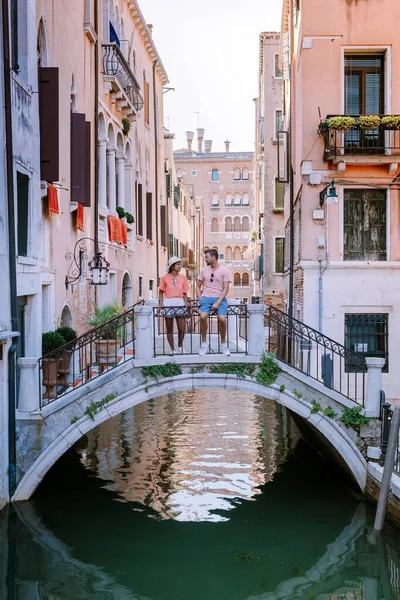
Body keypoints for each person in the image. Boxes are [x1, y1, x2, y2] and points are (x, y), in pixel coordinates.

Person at [196, 248, 232, 356]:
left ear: (213, 257)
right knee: (203, 317)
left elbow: (226, 289)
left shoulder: (224, 271)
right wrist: (200, 298)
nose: (205, 259)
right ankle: (204, 344)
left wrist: (218, 302)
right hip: (206, 298)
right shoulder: (203, 271)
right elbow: (197, 286)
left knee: (222, 319)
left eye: (207, 257)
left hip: (219, 298)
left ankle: (223, 345)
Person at [158, 256, 190, 356]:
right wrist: (160, 303)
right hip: (168, 302)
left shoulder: (183, 278)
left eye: (180, 264)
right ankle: (172, 349)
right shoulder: (164, 278)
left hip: (179, 302)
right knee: (169, 328)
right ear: (172, 266)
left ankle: (180, 345)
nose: (180, 266)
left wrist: (186, 303)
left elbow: (185, 292)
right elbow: (161, 291)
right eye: (178, 264)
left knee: (182, 328)